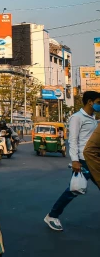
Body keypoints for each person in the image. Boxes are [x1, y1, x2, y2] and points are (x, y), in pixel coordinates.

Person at [44, 90, 100, 231]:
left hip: (93, 158)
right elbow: (73, 140)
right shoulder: (77, 118)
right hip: (83, 159)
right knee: (73, 190)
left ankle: (53, 215)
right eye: (99, 103)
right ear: (90, 102)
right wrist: (75, 160)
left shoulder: (94, 118)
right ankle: (52, 215)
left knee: (73, 190)